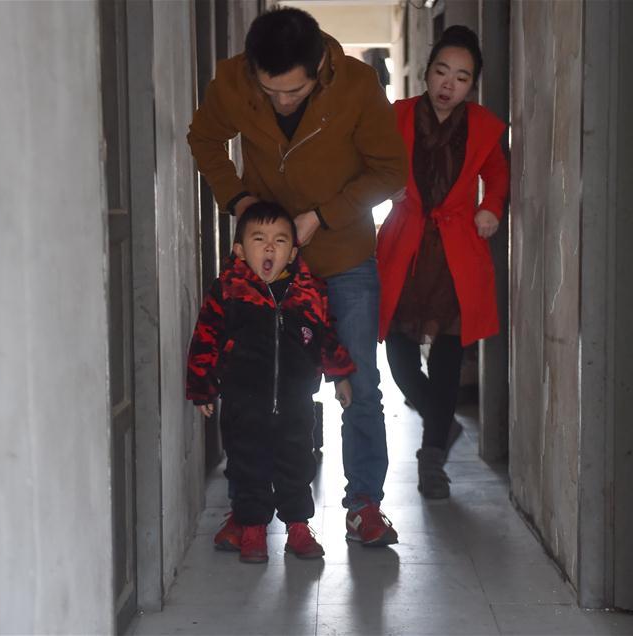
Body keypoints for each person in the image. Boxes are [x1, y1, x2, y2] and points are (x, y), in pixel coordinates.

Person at [187, 7, 407, 547]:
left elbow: (390, 170)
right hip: (270, 265)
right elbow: (204, 138)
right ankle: (250, 509)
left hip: (345, 256)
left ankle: (365, 505)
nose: (282, 102)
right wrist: (239, 201)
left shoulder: (356, 85)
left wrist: (323, 215)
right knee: (257, 385)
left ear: (319, 69)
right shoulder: (234, 80)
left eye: (295, 92)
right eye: (270, 92)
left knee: (359, 382)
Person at [376, 26, 509, 499]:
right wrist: (385, 183)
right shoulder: (397, 116)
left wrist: (490, 207)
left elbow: (497, 174)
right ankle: (442, 421)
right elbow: (370, 161)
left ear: (472, 85)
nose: (448, 84)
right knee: (398, 353)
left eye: (461, 77)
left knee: (449, 356)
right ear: (427, 72)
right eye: (441, 71)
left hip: (456, 250)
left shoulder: (483, 126)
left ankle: (432, 458)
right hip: (407, 245)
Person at [186, 202, 355, 563]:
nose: (269, 248)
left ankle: (298, 527)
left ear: (292, 253)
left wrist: (340, 376)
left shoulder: (309, 292)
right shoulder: (228, 292)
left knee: (297, 463)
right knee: (248, 465)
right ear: (239, 250)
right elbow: (205, 339)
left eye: (279, 241)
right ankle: (252, 529)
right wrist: (202, 387)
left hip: (296, 403)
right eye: (258, 239)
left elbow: (327, 338)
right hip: (244, 402)